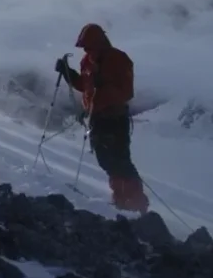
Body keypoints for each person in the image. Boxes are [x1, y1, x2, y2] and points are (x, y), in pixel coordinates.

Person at [55, 23, 150, 213]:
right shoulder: (87, 62)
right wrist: (69, 74)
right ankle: (121, 199)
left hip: (114, 118)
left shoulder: (118, 59)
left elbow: (126, 92)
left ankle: (137, 202)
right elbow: (85, 86)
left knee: (119, 160)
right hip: (97, 118)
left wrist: (105, 87)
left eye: (88, 46)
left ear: (99, 43)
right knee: (106, 160)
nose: (86, 50)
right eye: (84, 47)